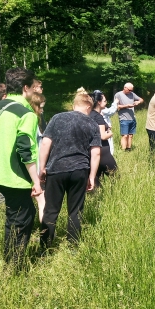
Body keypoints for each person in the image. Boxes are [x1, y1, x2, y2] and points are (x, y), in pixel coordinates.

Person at [0, 67, 42, 265]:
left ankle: (10, 259)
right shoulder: (26, 114)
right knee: (22, 219)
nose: (35, 91)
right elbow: (26, 150)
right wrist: (36, 181)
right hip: (15, 177)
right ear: (26, 88)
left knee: (17, 215)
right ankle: (13, 265)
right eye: (33, 87)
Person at [38, 92, 101, 249]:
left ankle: (45, 247)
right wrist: (92, 176)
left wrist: (42, 168)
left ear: (74, 105)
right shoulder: (92, 124)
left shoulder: (57, 118)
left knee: (50, 210)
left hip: (56, 169)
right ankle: (73, 247)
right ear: (89, 107)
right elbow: (96, 153)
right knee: (75, 211)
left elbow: (45, 143)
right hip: (80, 170)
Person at [91, 90, 118, 182]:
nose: (106, 103)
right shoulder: (98, 116)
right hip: (103, 151)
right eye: (105, 101)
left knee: (96, 178)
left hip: (92, 151)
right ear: (99, 102)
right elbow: (102, 136)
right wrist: (110, 133)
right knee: (116, 177)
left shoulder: (89, 114)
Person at [30, 92, 47, 222]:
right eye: (40, 107)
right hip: (35, 167)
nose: (42, 110)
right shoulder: (32, 122)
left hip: (32, 167)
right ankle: (45, 231)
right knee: (43, 204)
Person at [114, 82, 143, 152]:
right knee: (125, 135)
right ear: (125, 88)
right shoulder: (118, 94)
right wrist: (126, 106)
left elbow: (141, 99)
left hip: (132, 118)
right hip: (124, 118)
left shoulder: (132, 94)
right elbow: (116, 106)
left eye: (131, 90)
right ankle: (123, 150)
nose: (130, 91)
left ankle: (129, 149)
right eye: (129, 90)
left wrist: (138, 102)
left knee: (130, 135)